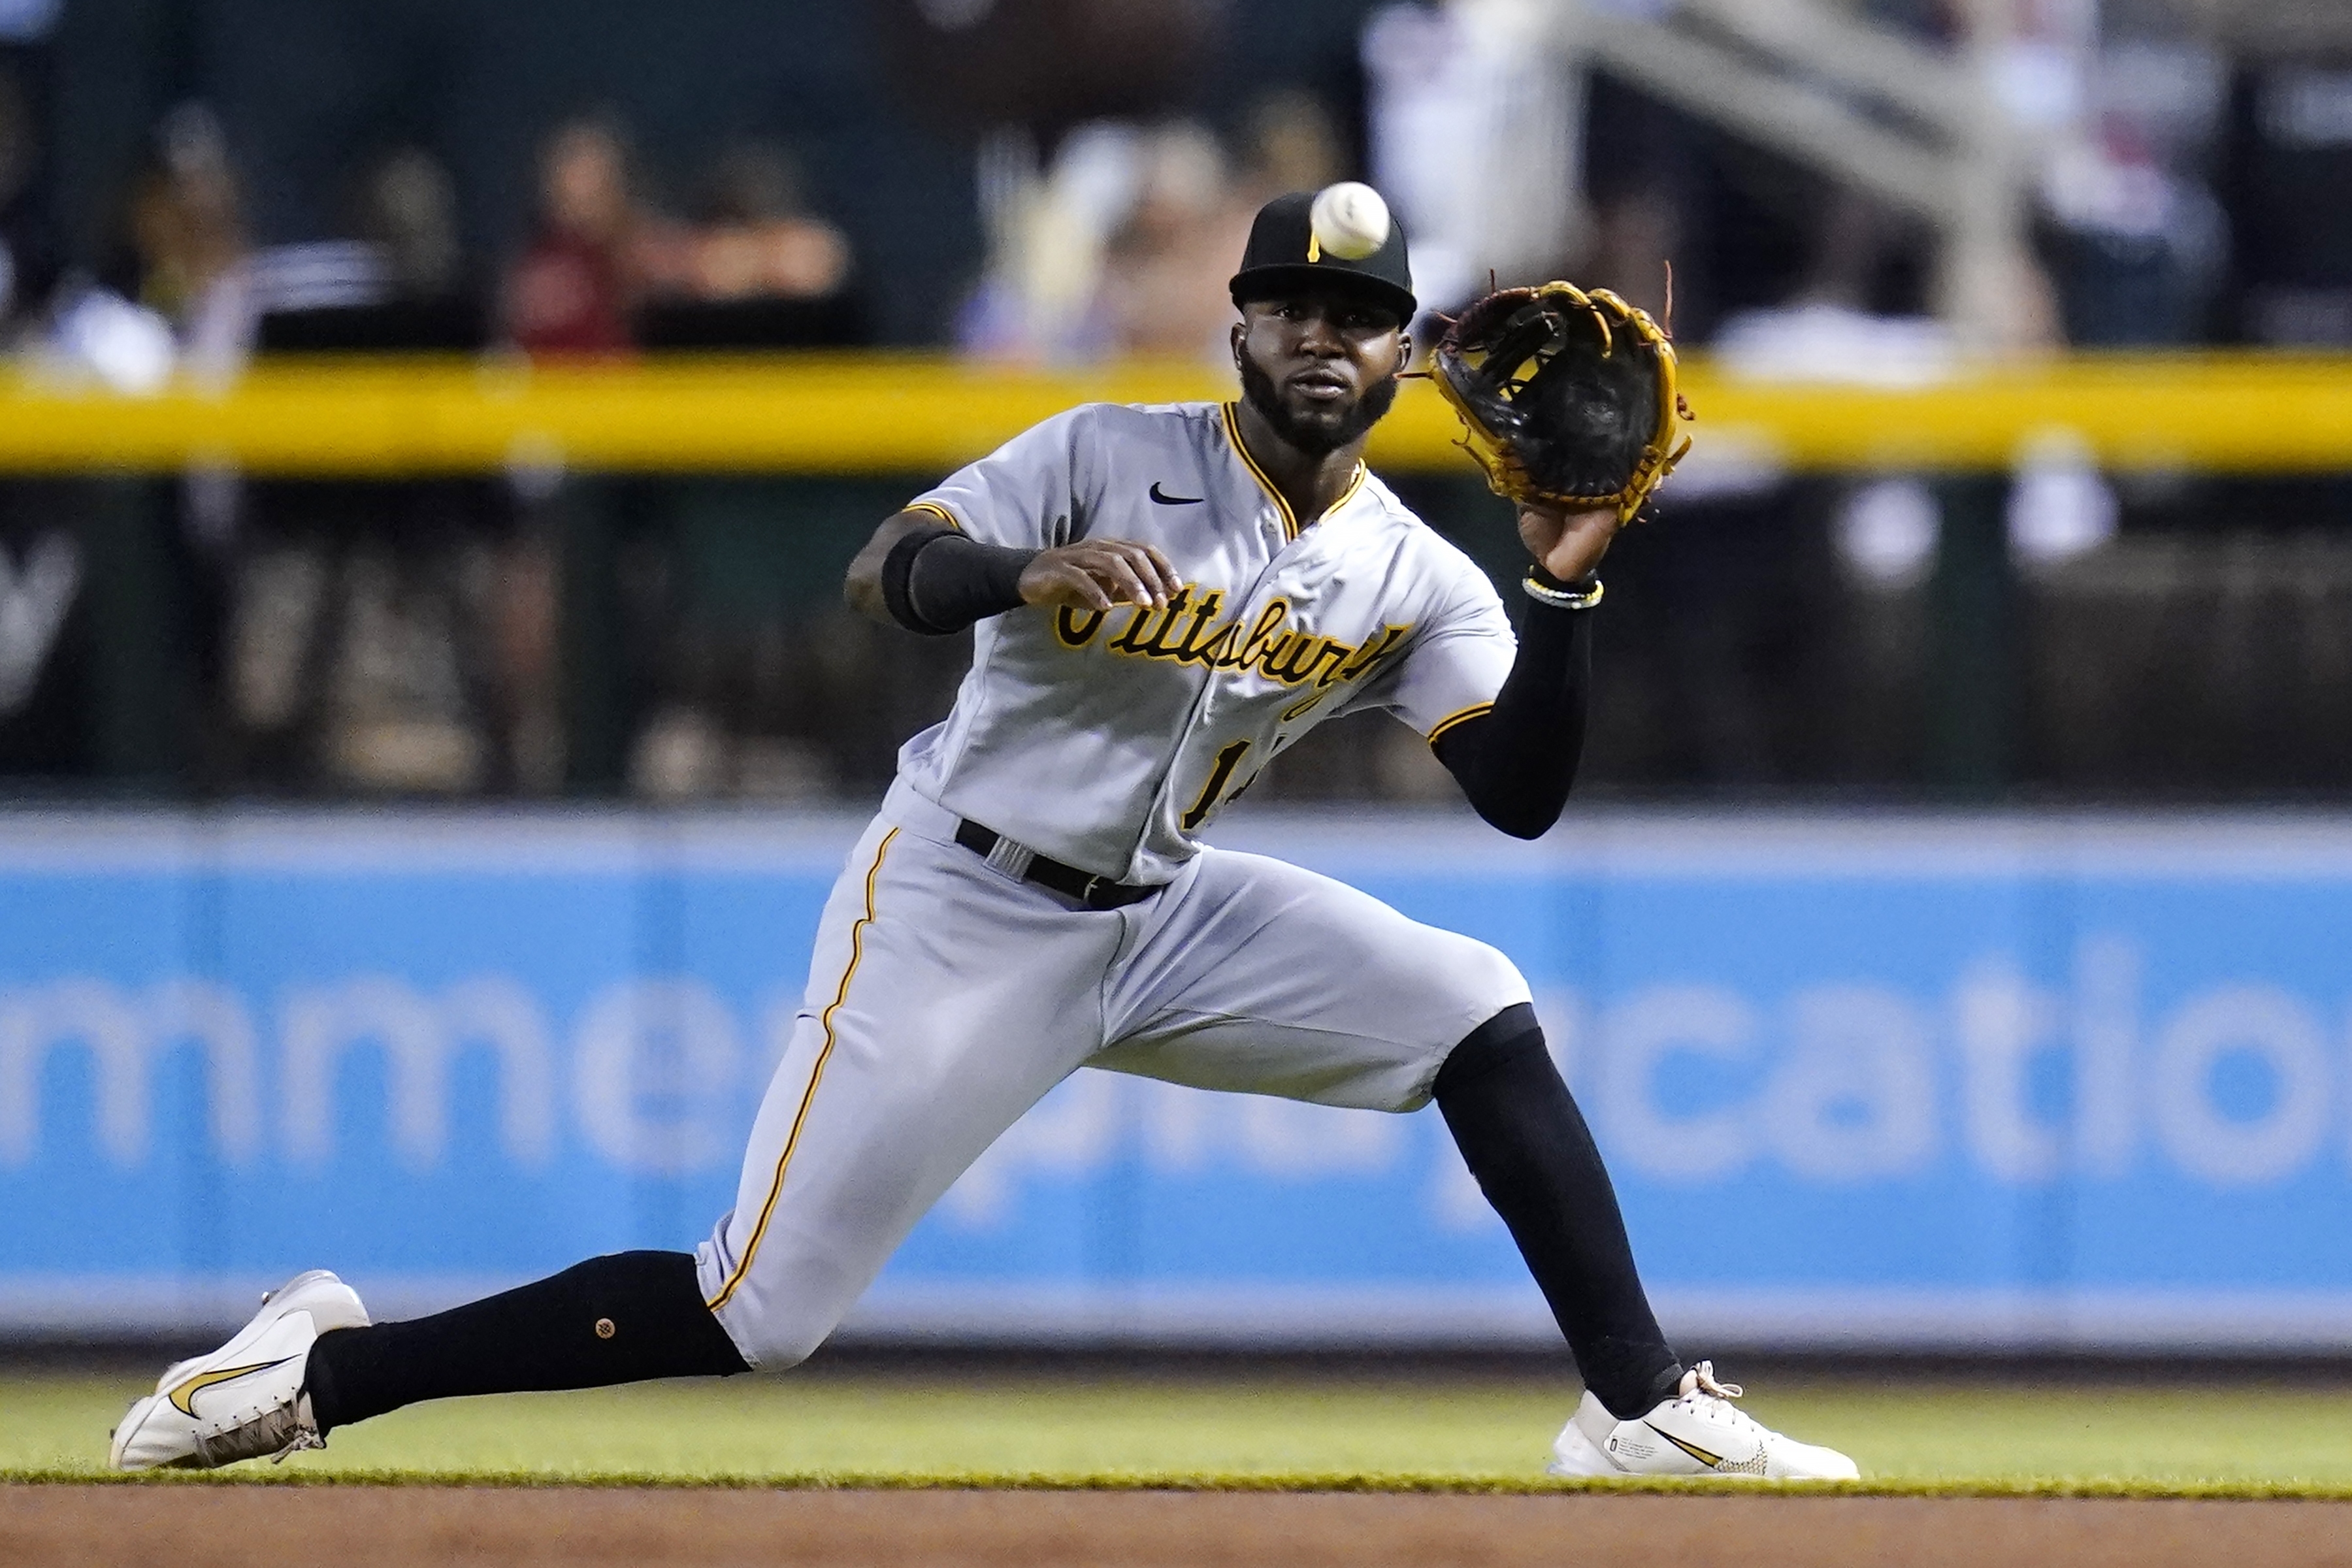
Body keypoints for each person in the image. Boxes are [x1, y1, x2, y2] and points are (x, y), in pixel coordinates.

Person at [108, 190, 1858, 1482]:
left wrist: (1568, 583)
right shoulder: (1108, 452)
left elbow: (1522, 793)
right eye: (1292, 305)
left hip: (1165, 913)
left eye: (1361, 312)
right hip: (961, 894)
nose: (1324, 335)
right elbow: (890, 569)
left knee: (1475, 1000)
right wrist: (1022, 574)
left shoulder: (1407, 570)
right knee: (756, 1312)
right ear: (1238, 330)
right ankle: (331, 1374)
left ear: (1408, 357)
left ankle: (1633, 1409)